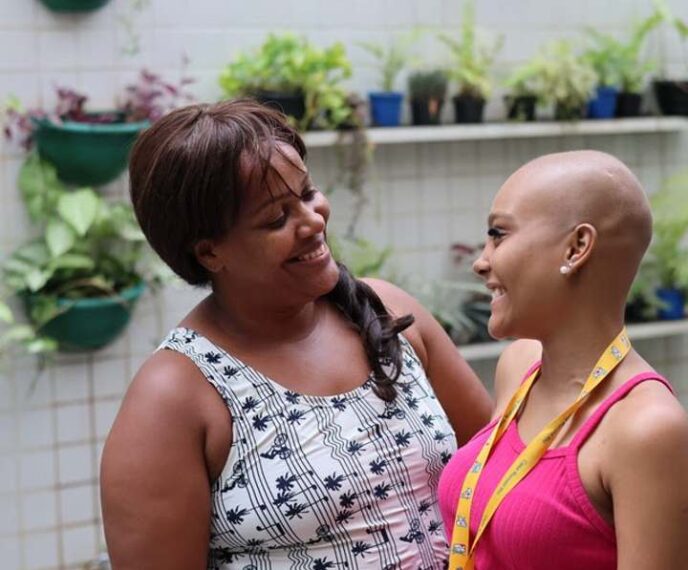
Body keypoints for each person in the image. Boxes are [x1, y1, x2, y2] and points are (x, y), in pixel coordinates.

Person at [100, 99, 493, 570]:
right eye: (276, 219)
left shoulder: (388, 313)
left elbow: (499, 469)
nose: (313, 221)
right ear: (209, 253)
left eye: (307, 194)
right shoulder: (175, 396)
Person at [438, 150, 688, 570]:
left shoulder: (646, 428)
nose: (481, 261)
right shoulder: (518, 368)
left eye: (498, 234)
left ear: (576, 247)